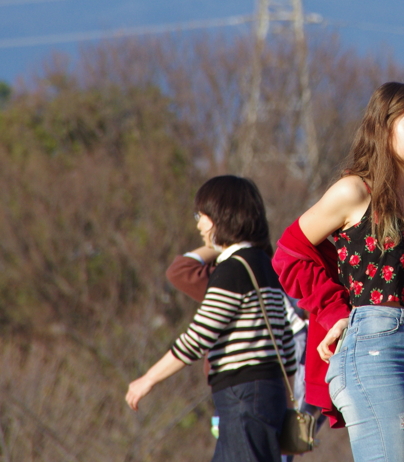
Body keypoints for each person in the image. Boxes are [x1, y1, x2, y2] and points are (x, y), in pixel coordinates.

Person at [272, 82, 404, 462]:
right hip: (373, 345)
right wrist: (333, 311)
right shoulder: (355, 192)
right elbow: (290, 253)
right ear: (384, 128)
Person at [126, 176, 297, 462]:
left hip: (242, 397)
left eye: (201, 216)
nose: (198, 225)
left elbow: (198, 337)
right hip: (267, 395)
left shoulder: (233, 269)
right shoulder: (265, 265)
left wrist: (148, 379)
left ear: (221, 215)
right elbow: (287, 346)